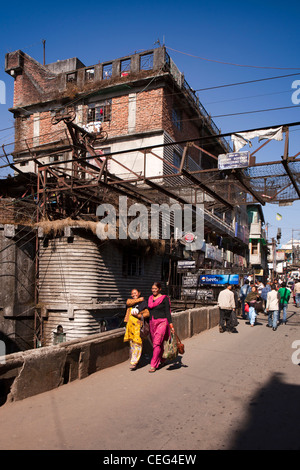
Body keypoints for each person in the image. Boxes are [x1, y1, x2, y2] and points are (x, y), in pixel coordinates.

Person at [147, 282, 174, 373]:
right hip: (152, 323)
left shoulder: (165, 299)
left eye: (155, 288)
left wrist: (171, 324)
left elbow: (168, 312)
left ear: (159, 289)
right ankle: (162, 360)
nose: (153, 290)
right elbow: (149, 311)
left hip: (162, 322)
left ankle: (153, 364)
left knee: (157, 343)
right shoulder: (150, 299)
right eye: (152, 288)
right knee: (158, 343)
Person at [123, 288, 150, 370]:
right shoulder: (131, 302)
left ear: (139, 293)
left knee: (137, 343)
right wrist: (138, 299)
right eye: (132, 293)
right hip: (130, 327)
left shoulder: (144, 303)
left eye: (135, 293)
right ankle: (135, 360)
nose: (133, 294)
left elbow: (147, 313)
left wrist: (137, 315)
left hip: (138, 326)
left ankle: (134, 362)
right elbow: (128, 302)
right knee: (132, 344)